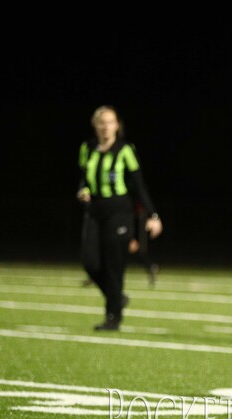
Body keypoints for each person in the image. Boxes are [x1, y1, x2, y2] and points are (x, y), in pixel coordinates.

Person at [77, 105, 162, 331]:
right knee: (90, 262)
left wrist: (153, 214)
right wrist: (83, 191)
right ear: (95, 125)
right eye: (101, 122)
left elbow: (139, 185)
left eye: (110, 122)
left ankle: (112, 317)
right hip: (94, 211)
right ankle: (117, 297)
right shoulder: (87, 148)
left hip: (119, 211)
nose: (106, 127)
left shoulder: (125, 150)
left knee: (114, 266)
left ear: (117, 125)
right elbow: (84, 179)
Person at [128, 202, 160, 287]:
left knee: (131, 245)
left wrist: (153, 216)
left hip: (132, 215)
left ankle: (149, 265)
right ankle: (150, 266)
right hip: (127, 214)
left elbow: (141, 194)